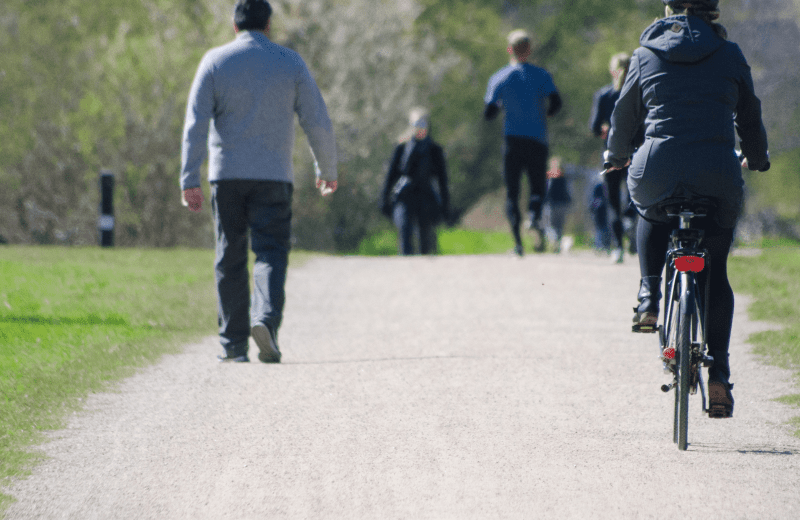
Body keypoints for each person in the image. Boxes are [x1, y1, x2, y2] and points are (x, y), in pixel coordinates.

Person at [605, 0, 770, 417]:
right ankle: (719, 377)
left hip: (658, 168)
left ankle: (648, 295)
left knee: (649, 211)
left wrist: (616, 153)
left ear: (668, 8)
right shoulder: (730, 54)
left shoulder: (645, 55)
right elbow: (749, 112)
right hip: (717, 171)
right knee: (716, 268)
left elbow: (625, 113)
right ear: (712, 11)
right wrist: (757, 154)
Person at [180, 0, 338, 363]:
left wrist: (189, 178)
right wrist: (326, 169)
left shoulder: (214, 62)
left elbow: (195, 125)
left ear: (234, 26)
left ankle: (233, 345)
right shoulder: (290, 62)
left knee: (229, 255)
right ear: (268, 25)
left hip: (227, 176)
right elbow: (317, 119)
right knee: (270, 252)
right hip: (273, 177)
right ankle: (265, 320)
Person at [484, 29, 562, 256]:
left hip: (512, 141)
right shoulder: (542, 75)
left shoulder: (499, 78)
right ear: (529, 50)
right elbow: (556, 103)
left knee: (513, 192)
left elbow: (488, 113)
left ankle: (518, 244)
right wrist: (543, 114)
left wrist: (503, 105)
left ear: (509, 50)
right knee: (538, 186)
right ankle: (534, 216)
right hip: (537, 139)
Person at [589, 52, 640, 263]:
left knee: (612, 203)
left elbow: (594, 127)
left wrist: (605, 129)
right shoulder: (638, 94)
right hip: (635, 152)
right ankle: (630, 221)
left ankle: (618, 246)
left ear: (612, 71)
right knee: (634, 194)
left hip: (610, 153)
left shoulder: (604, 95)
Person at [380, 108, 451, 255]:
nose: (420, 129)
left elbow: (442, 180)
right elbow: (391, 176)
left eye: (423, 124)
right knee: (405, 230)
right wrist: (384, 198)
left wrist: (445, 204)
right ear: (411, 126)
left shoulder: (434, 150)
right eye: (416, 125)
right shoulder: (401, 148)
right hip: (405, 196)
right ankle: (406, 269)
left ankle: (424, 272)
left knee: (426, 240)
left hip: (426, 197)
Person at [543, 157, 572, 253]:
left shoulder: (549, 176)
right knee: (559, 226)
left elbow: (547, 191)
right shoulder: (564, 176)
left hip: (552, 204)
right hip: (563, 204)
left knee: (550, 226)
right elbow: (567, 191)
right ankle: (558, 244)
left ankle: (555, 242)